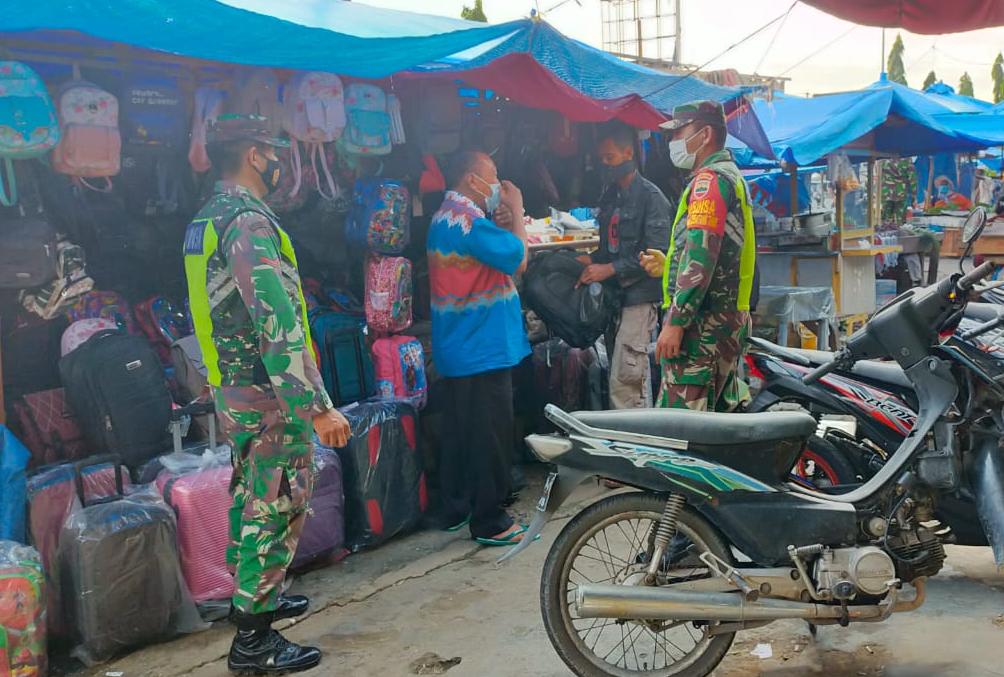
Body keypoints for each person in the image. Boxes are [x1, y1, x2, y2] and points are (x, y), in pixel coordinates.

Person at [183, 114, 351, 675]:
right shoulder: (247, 222)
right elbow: (276, 322)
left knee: (254, 496)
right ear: (256, 155)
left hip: (236, 387)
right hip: (266, 393)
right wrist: (317, 407)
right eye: (276, 150)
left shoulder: (208, 217)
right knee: (274, 504)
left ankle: (261, 599)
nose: (281, 162)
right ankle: (253, 641)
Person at [427, 150, 533, 546]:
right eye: (494, 178)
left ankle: (457, 508)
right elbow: (517, 259)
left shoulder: (445, 217)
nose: (498, 186)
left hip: (459, 345)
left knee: (459, 433)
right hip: (482, 346)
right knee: (489, 435)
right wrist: (518, 211)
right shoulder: (468, 221)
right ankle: (491, 521)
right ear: (474, 180)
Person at [641, 100, 757, 412]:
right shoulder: (729, 176)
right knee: (712, 426)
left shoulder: (710, 181)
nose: (672, 141)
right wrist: (669, 268)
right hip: (722, 318)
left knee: (680, 431)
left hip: (703, 324)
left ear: (705, 134)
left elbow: (701, 254)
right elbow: (717, 253)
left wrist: (676, 321)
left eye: (679, 132)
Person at [580, 125, 672, 409]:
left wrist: (608, 269)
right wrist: (590, 260)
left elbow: (656, 255)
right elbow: (611, 248)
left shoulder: (651, 197)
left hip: (639, 298)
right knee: (621, 376)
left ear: (628, 153)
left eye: (610, 158)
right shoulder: (611, 197)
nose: (604, 165)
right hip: (614, 299)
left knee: (627, 378)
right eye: (601, 159)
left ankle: (634, 444)